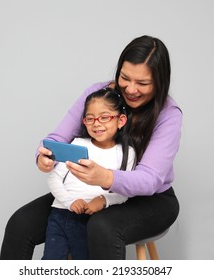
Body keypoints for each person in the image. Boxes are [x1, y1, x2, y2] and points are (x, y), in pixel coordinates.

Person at [0, 35, 182, 260]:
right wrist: (44, 156)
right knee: (21, 223)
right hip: (91, 189)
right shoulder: (99, 94)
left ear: (160, 82)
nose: (131, 89)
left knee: (102, 227)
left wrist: (105, 177)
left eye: (143, 83)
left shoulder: (168, 114)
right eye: (125, 78)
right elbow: (57, 138)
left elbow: (150, 179)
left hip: (151, 200)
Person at [42, 88, 136, 260]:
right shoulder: (77, 144)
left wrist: (102, 201)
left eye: (105, 117)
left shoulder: (127, 153)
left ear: (121, 120)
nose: (97, 123)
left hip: (92, 219)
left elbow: (124, 193)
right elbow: (54, 178)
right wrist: (69, 202)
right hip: (61, 214)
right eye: (90, 118)